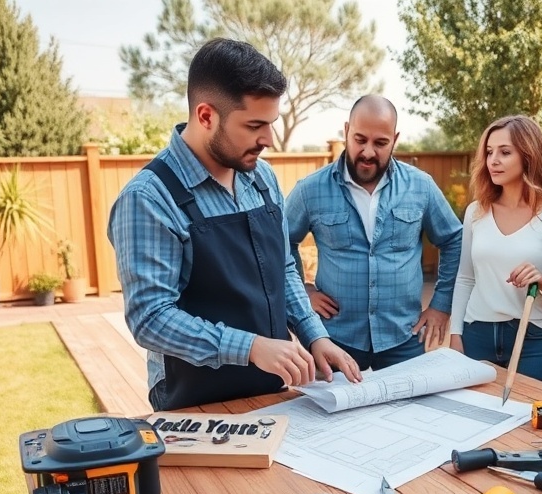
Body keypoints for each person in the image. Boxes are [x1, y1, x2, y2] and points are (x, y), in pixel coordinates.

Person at [108, 38, 360, 411]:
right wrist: (251, 347)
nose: (269, 140)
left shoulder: (262, 179)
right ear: (206, 116)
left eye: (271, 124)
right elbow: (150, 317)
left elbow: (282, 269)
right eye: (255, 125)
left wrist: (314, 335)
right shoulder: (148, 198)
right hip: (194, 400)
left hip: (271, 388)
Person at [284, 95, 463, 370]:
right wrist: (304, 292)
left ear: (395, 139)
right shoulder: (310, 190)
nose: (368, 152)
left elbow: (453, 239)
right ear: (346, 131)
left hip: (404, 337)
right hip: (334, 338)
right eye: (360, 140)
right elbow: (281, 242)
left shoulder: (421, 186)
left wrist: (441, 304)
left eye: (380, 143)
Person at [449, 115, 542, 385]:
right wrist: (456, 334)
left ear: (529, 156)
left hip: (534, 341)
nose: (493, 160)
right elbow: (465, 278)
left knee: (526, 412)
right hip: (476, 335)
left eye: (505, 152)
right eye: (489, 152)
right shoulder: (476, 212)